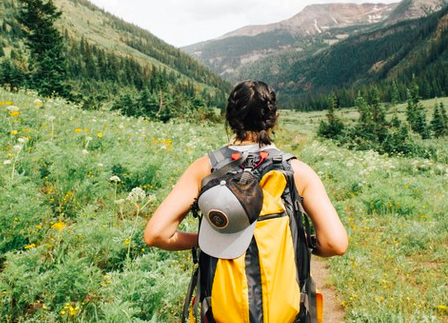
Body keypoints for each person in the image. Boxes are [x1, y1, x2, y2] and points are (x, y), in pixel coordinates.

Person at [144, 80, 348, 321]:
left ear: (230, 118)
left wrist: (208, 240)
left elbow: (156, 234)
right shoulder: (297, 171)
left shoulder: (205, 169)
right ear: (274, 118)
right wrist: (302, 242)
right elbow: (336, 243)